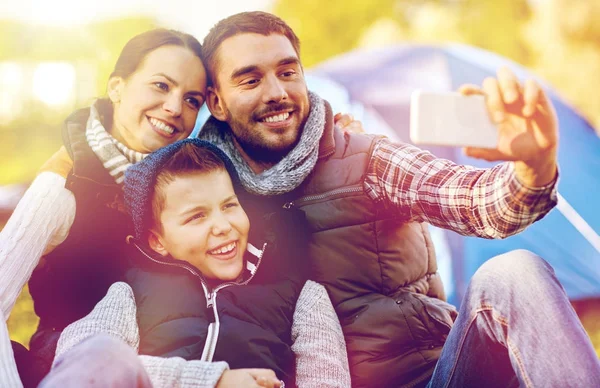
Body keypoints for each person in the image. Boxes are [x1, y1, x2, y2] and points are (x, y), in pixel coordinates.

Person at [192, 11, 599, 387]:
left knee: (514, 273)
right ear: (216, 102)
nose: (277, 92)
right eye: (250, 80)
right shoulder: (202, 194)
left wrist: (535, 166)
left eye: (288, 72)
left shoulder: (366, 159)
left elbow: (480, 204)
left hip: (436, 376)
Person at [43, 138, 350, 388]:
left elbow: (328, 381)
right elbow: (83, 362)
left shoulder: (300, 294)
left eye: (229, 206)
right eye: (197, 216)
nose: (222, 226)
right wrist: (213, 381)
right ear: (157, 241)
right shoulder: (131, 294)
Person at [0, 28, 208, 387]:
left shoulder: (187, 177)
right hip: (79, 366)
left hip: (173, 360)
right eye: (161, 85)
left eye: (192, 99)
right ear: (117, 87)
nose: (175, 108)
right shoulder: (64, 183)